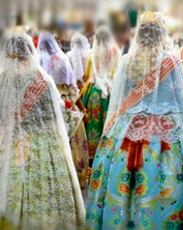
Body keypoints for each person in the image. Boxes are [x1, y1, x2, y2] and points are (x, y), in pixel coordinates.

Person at [86, 12, 183, 229]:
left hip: (128, 131)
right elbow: (182, 101)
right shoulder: (171, 60)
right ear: (161, 34)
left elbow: (119, 101)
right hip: (170, 132)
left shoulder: (127, 60)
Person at [0, 30, 85, 229]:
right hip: (42, 147)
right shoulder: (43, 80)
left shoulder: (2, 81)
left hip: (7, 146)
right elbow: (55, 119)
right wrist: (71, 116)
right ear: (30, 51)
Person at [38, 32, 89, 187]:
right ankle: (77, 175)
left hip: (48, 106)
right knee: (74, 140)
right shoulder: (62, 59)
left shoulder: (38, 62)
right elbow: (72, 87)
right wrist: (82, 109)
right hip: (67, 103)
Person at [81, 26, 120, 163]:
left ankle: (94, 153)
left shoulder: (93, 53)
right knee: (110, 121)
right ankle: (110, 151)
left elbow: (87, 75)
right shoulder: (115, 51)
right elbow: (118, 72)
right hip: (112, 91)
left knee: (93, 122)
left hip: (94, 93)